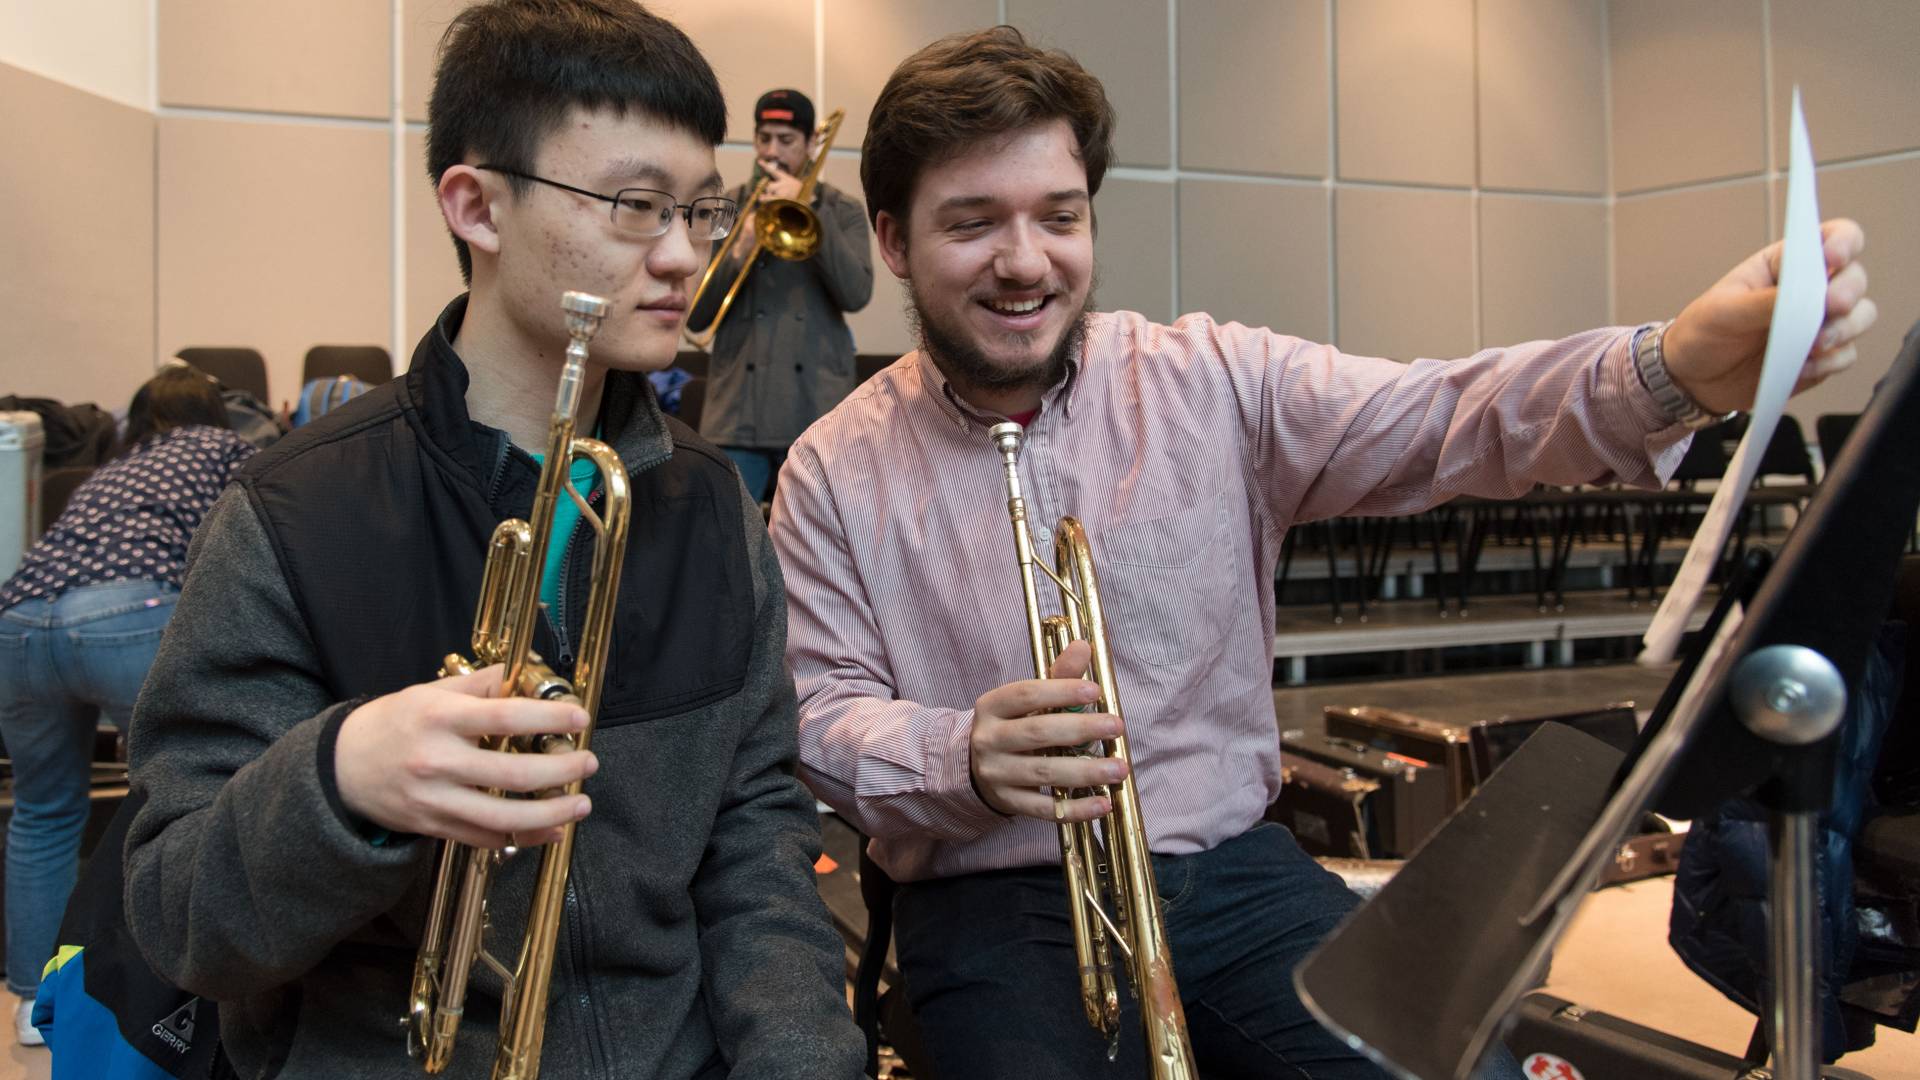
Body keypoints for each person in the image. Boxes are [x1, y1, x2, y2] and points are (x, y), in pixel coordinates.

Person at [767, 26, 1877, 1080]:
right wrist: (958, 753)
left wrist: (1669, 366)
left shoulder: (1214, 380)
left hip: (1232, 871)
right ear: (898, 240)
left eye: (1059, 216)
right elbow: (815, 714)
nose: (1026, 262)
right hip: (994, 898)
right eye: (973, 224)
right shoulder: (830, 468)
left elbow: (1450, 413)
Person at [121, 3, 865, 1077]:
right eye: (632, 207)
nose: (681, 258)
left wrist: (803, 1060)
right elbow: (179, 912)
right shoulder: (293, 509)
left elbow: (756, 843)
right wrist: (339, 784)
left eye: (700, 210)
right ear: (476, 205)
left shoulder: (710, 506)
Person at [0, 364, 254, 1046]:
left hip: (18, 622)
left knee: (43, 810)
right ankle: (144, 1001)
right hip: (125, 613)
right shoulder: (229, 451)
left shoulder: (110, 468)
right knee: (168, 797)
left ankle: (31, 1001)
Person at [687, 88, 873, 502]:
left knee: (821, 551)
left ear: (810, 145)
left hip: (816, 412)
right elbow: (696, 317)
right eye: (764, 138)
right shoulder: (726, 207)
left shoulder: (841, 209)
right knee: (730, 541)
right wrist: (739, 248)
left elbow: (857, 294)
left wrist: (811, 213)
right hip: (737, 413)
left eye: (786, 141)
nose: (772, 152)